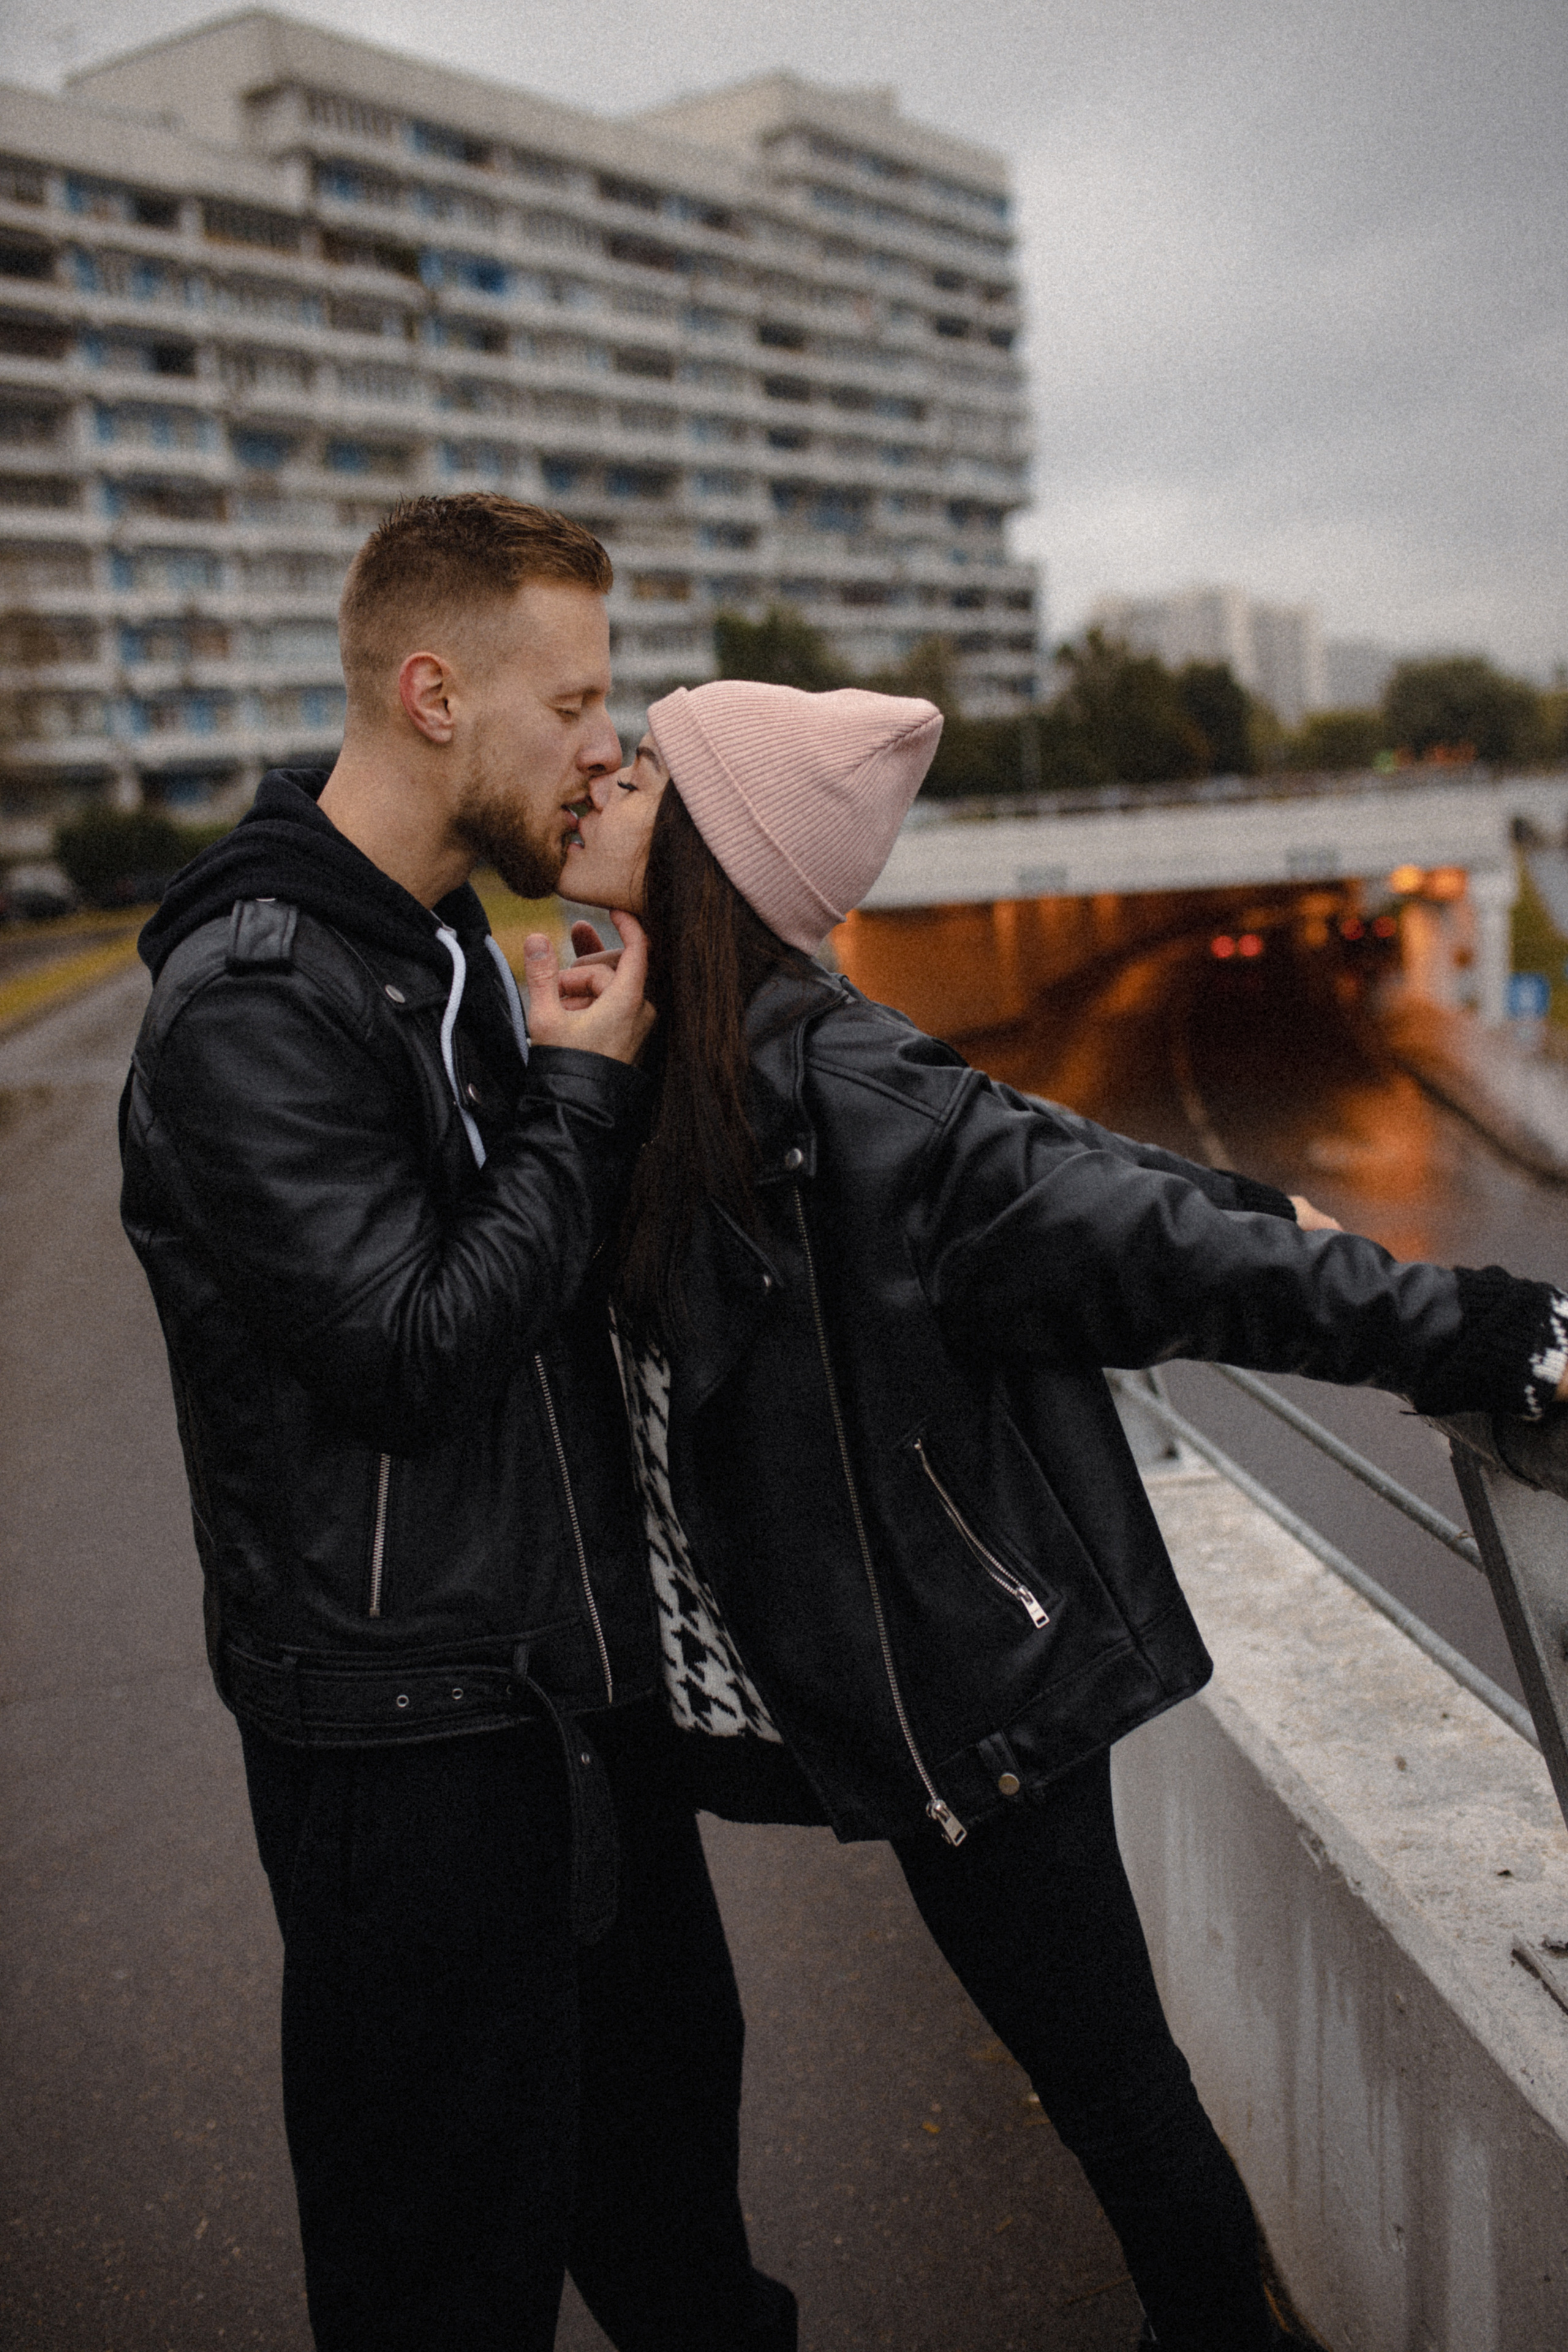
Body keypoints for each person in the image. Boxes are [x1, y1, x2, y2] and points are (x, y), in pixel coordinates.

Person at [556, 677, 1568, 2352]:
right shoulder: (668, 1057)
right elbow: (1066, 1151)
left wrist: (1478, 1330)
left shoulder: (855, 1106)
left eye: (650, 762)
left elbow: (1153, 1246)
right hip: (763, 1688)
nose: (607, 772)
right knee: (653, 2053)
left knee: (1117, 2099)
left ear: (718, 847)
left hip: (958, 1693)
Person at [119, 498, 796, 2352]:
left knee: (686, 2263)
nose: (609, 739)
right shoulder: (251, 1002)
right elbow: (414, 1350)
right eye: (574, 699)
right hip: (408, 1768)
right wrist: (578, 1095)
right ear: (435, 694)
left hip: (571, 1723)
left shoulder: (435, 955)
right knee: (444, 2290)